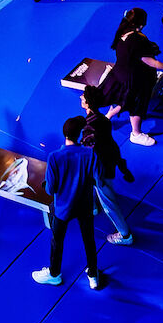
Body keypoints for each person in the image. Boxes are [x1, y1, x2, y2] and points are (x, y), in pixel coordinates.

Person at [32, 116, 103, 290]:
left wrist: (46, 184)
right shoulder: (90, 154)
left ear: (64, 134)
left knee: (57, 241)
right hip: (85, 205)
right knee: (89, 240)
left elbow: (51, 189)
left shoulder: (55, 157)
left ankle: (54, 274)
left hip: (63, 208)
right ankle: (93, 275)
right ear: (79, 134)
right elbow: (98, 180)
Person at [99, 7, 163, 146]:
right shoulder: (137, 40)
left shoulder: (122, 31)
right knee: (137, 105)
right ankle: (136, 134)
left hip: (119, 72)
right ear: (139, 23)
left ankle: (108, 116)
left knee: (122, 99)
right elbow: (152, 62)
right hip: (134, 79)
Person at [79, 85, 135, 246]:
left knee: (108, 202)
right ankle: (92, 207)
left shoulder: (88, 126)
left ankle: (125, 235)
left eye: (83, 96)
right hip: (107, 162)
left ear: (88, 103)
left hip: (99, 169)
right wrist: (122, 167)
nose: (80, 97)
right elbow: (111, 144)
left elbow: (87, 151)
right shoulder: (103, 120)